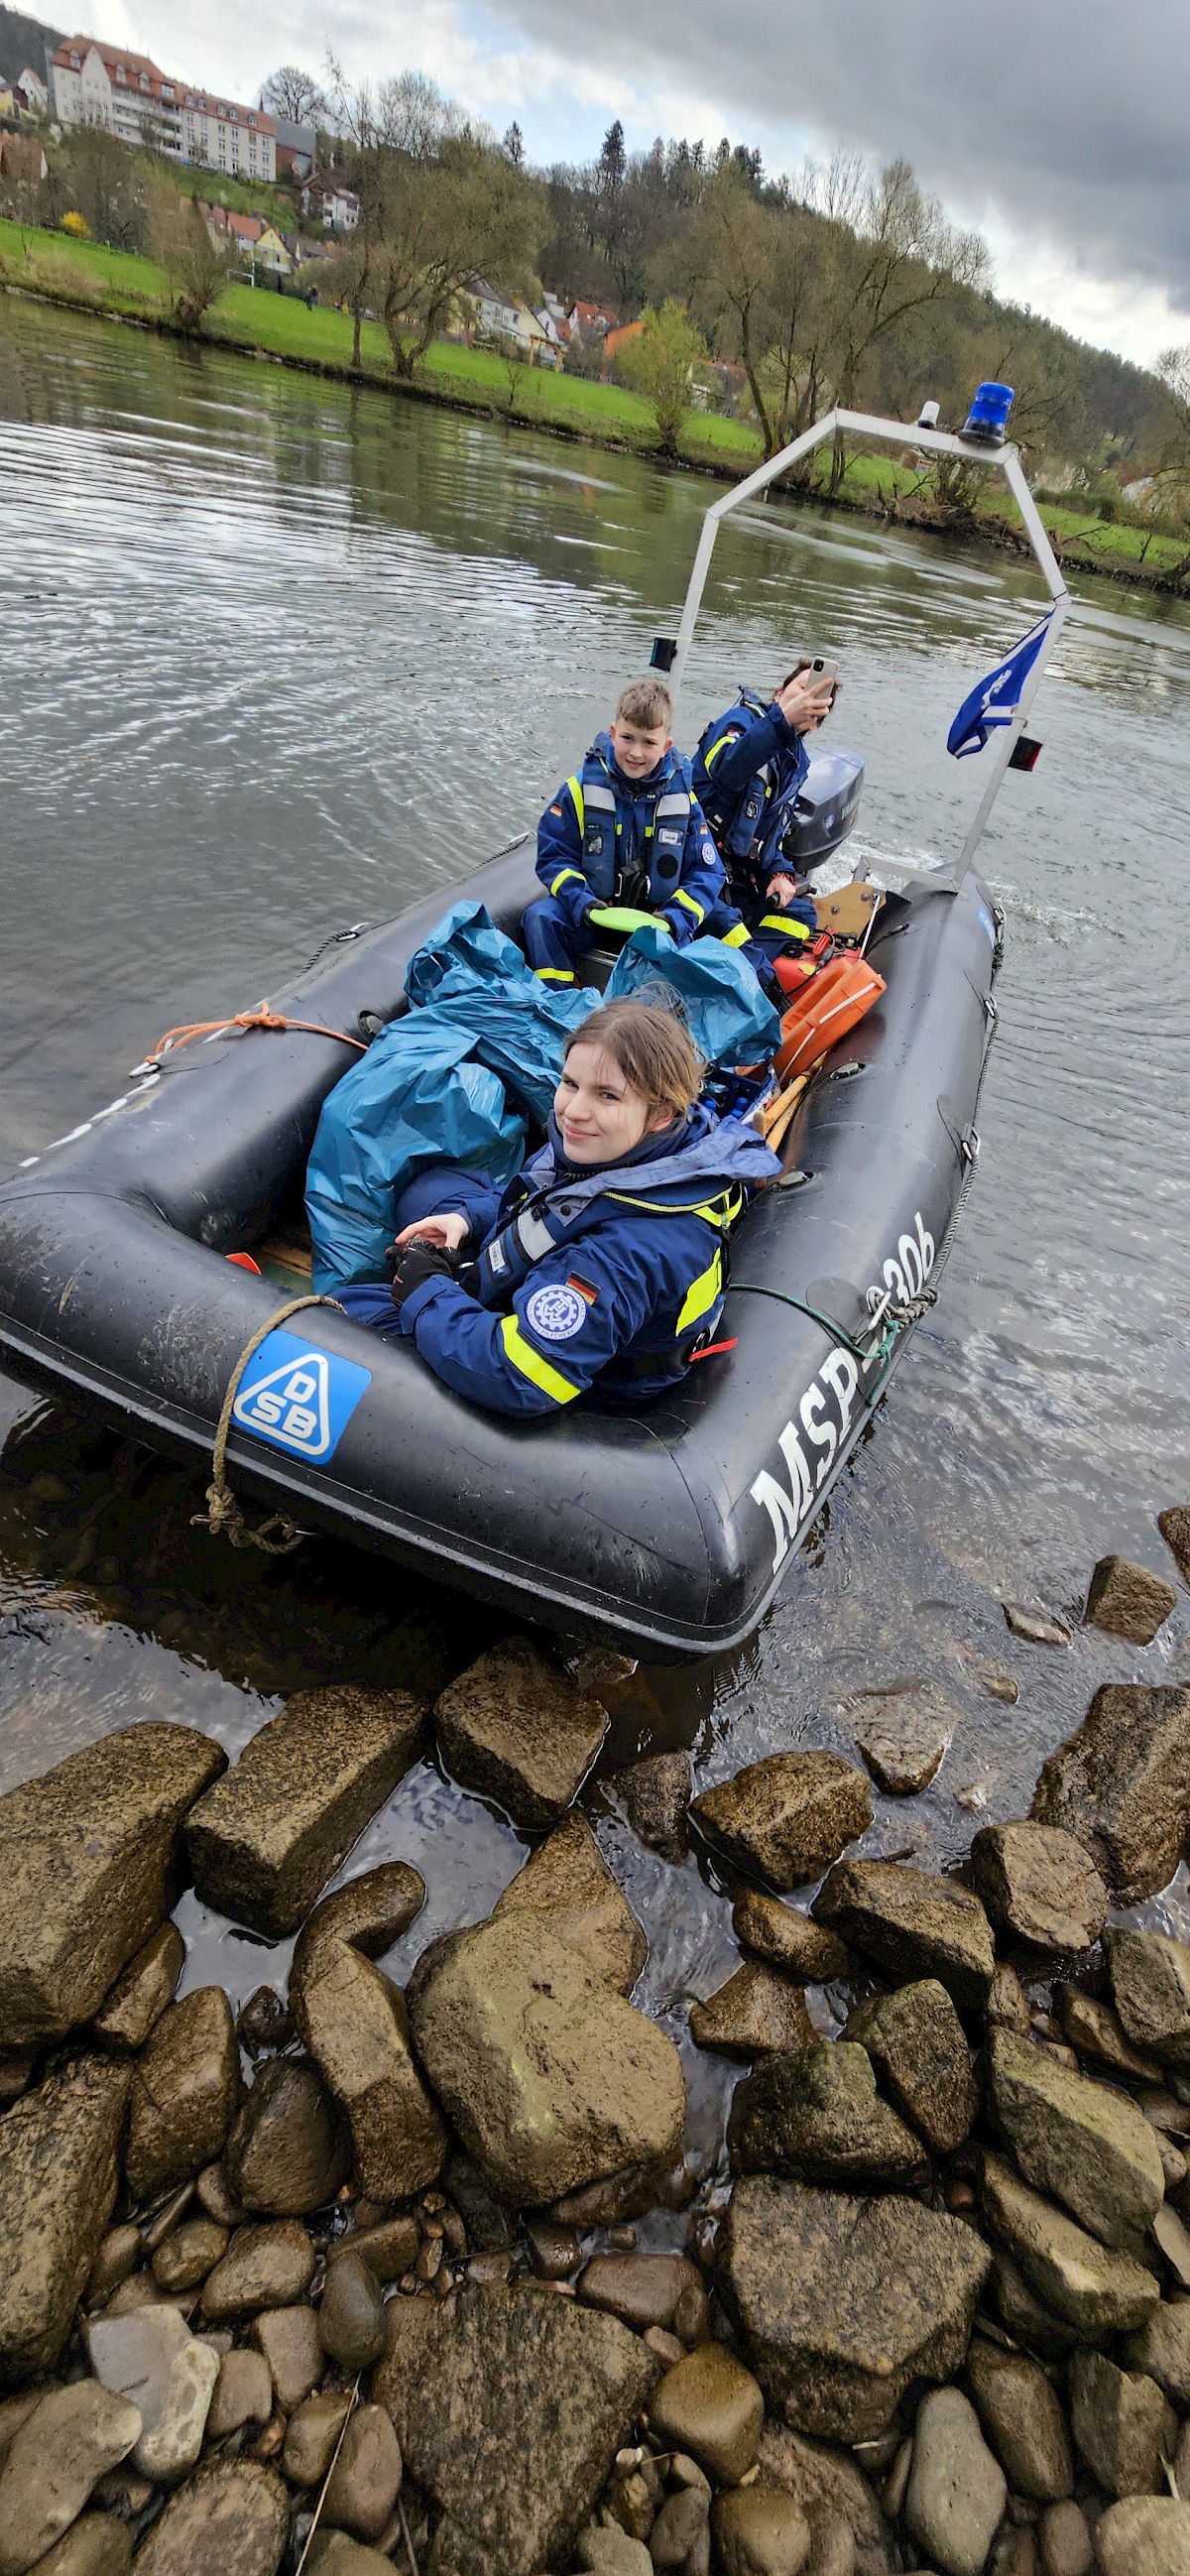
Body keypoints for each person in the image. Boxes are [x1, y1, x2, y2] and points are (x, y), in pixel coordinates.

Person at [336, 1000, 779, 1416]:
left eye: (607, 1096)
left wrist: (426, 1292)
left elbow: (521, 1376)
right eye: (570, 1084)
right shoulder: (631, 1149)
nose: (574, 1112)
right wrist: (466, 1222)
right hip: (547, 1278)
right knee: (431, 1192)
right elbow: (547, 1200)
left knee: (342, 1312)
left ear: (661, 1113)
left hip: (571, 1382)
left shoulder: (626, 1253)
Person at [525, 676, 733, 989]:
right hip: (592, 914)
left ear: (666, 746)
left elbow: (707, 873)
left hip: (658, 923)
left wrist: (672, 919)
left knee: (693, 957)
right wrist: (582, 902)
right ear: (612, 733)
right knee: (541, 918)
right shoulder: (578, 791)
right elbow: (554, 856)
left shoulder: (683, 802)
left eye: (648, 743)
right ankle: (559, 1002)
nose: (636, 752)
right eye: (627, 738)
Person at [693, 665, 837, 969]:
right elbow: (726, 767)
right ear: (779, 693)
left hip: (737, 875)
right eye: (801, 688)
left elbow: (772, 834)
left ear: (815, 723)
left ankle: (738, 968)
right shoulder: (740, 722)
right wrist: (781, 721)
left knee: (801, 916)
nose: (807, 697)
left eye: (818, 699)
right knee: (737, 940)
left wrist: (779, 873)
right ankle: (746, 968)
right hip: (696, 865)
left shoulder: (796, 764)